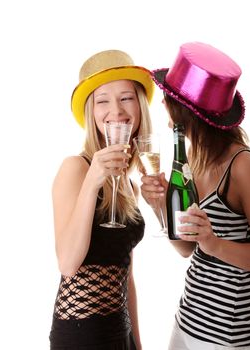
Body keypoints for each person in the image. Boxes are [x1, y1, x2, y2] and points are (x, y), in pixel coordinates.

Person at [141, 41, 250, 349]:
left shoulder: (242, 167)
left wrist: (215, 244)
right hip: (187, 319)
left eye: (168, 98)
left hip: (228, 336)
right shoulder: (192, 157)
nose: (162, 105)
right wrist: (160, 206)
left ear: (187, 113)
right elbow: (186, 248)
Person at [49, 49, 154, 350]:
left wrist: (137, 342)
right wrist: (93, 179)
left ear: (139, 106)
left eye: (126, 97)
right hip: (81, 334)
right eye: (102, 100)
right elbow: (68, 263)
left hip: (119, 330)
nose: (116, 110)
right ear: (91, 112)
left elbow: (126, 275)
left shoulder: (130, 187)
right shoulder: (75, 168)